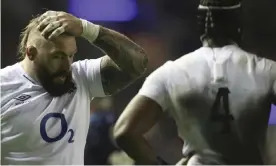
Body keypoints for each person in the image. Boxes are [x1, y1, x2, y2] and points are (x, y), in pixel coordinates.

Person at [113, 0, 276, 165]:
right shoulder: (267, 70)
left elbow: (124, 131)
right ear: (238, 24)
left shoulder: (172, 72)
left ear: (200, 25)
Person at [1, 10, 148, 165]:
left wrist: (87, 29)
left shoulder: (80, 78)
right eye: (57, 56)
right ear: (31, 53)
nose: (67, 66)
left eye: (70, 55)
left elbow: (137, 62)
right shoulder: (4, 86)